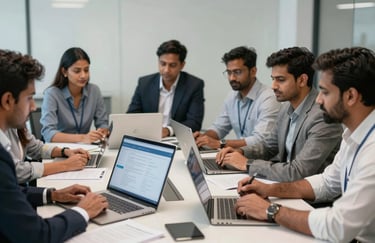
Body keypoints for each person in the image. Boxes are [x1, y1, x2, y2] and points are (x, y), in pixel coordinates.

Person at [234, 47, 375, 242]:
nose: (318, 99)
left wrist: (270, 210)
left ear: (350, 96)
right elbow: (327, 182)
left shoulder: (372, 150)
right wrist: (270, 190)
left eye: (325, 92)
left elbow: (338, 226)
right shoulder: (352, 134)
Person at [0, 49, 108, 242]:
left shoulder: (14, 127)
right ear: (8, 100)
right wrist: (83, 211)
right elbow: (37, 234)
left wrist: (53, 194)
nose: (34, 107)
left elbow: (10, 190)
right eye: (30, 98)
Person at [216, 47, 343, 182]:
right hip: (285, 186)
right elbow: (268, 146)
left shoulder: (323, 117)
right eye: (273, 79)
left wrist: (246, 164)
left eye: (280, 80)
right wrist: (240, 152)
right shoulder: (286, 107)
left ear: (302, 80)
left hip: (309, 199)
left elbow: (298, 171)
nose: (273, 86)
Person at [194, 46, 280, 149]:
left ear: (253, 71)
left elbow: (260, 140)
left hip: (263, 161)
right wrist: (203, 138)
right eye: (229, 72)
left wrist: (221, 143)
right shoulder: (232, 96)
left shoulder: (269, 98)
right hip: (239, 155)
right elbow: (219, 127)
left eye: (237, 72)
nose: (232, 78)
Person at [127, 40, 205, 138]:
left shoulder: (194, 85)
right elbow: (132, 115)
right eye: (163, 64)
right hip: (148, 138)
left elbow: (194, 122)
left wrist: (168, 130)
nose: (166, 70)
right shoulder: (144, 83)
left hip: (177, 140)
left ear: (182, 65)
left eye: (172, 65)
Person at [41, 47, 109, 143]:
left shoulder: (94, 91)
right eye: (77, 71)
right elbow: (48, 133)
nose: (83, 75)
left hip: (86, 149)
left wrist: (102, 131)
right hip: (60, 150)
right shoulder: (52, 94)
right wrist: (83, 138)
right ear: (64, 72)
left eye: (86, 70)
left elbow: (103, 124)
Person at [7, 127, 90, 184]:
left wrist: (64, 151)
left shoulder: (16, 126)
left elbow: (36, 147)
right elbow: (16, 171)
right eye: (28, 100)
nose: (34, 107)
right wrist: (65, 165)